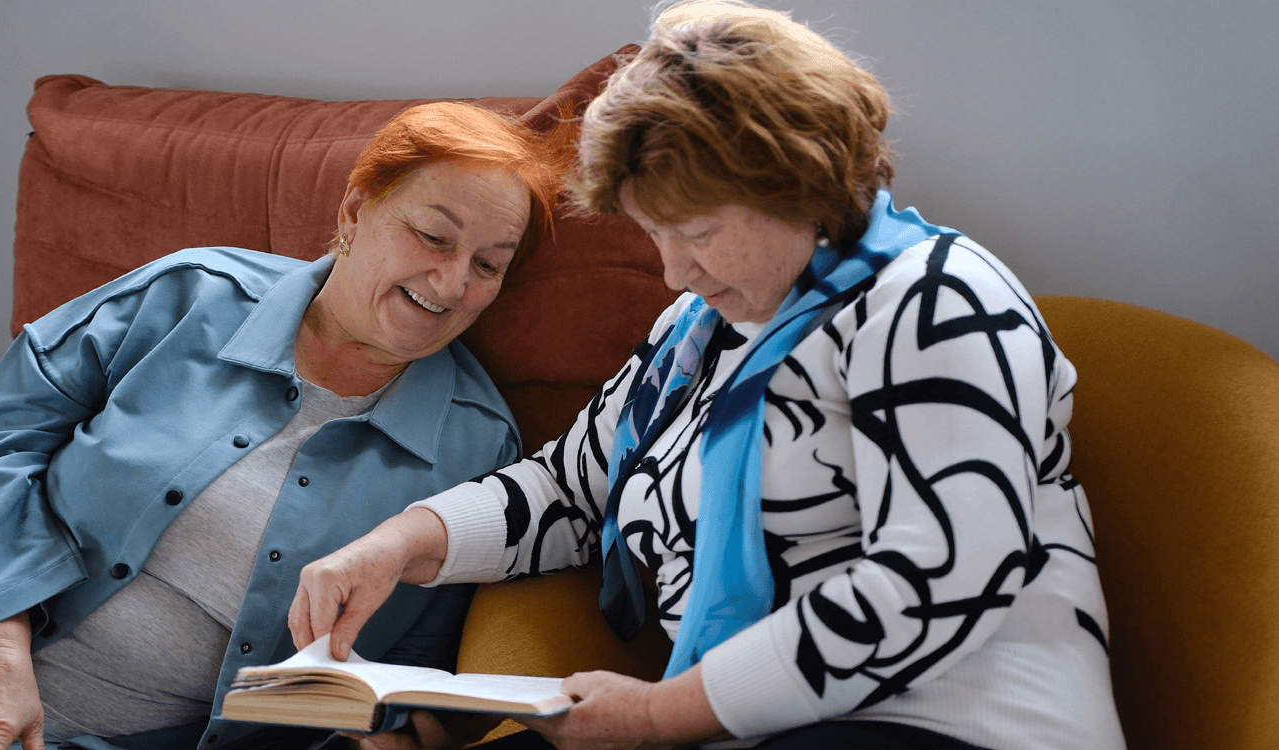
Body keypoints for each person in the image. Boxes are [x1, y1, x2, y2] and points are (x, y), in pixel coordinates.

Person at [288, 2, 1127, 749]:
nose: (675, 273)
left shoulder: (936, 298)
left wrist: (664, 714)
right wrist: (397, 546)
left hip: (941, 722)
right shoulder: (700, 331)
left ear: (800, 179)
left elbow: (939, 579)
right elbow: (573, 489)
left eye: (697, 231)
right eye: (656, 234)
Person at [0, 101, 574, 750]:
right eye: (433, 236)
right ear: (357, 211)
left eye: (489, 263)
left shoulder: (475, 449)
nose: (451, 281)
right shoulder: (190, 295)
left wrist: (367, 731)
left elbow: (400, 669)